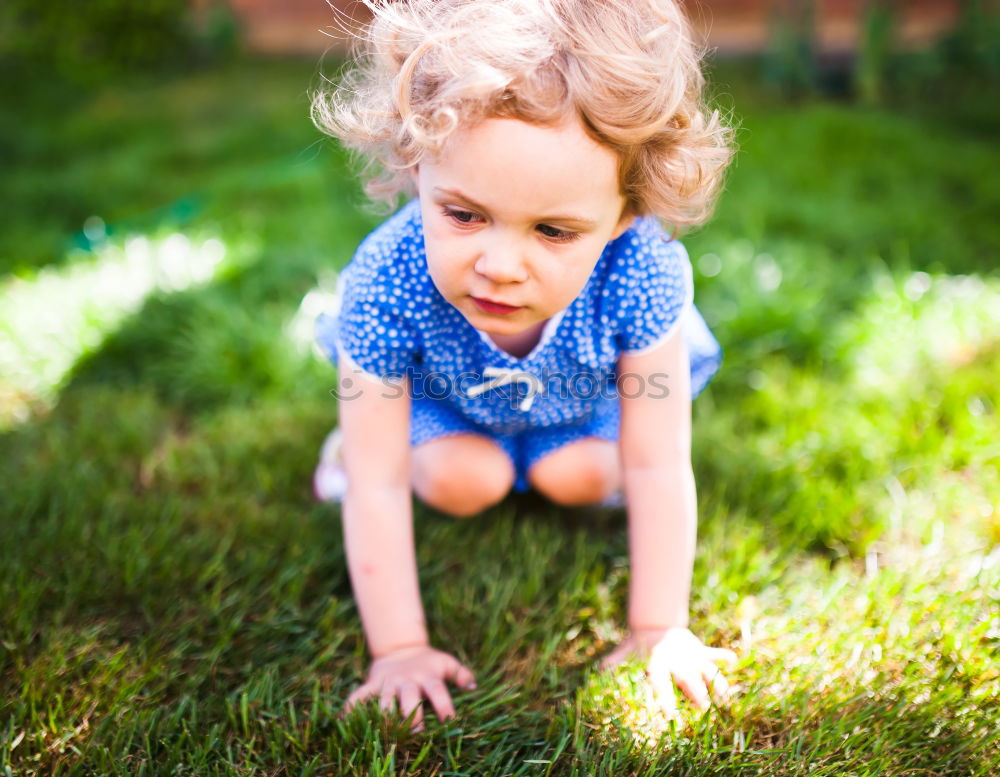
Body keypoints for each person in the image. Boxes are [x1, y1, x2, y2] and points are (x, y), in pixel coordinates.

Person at [309, 0, 737, 733]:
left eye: (554, 230)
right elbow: (378, 486)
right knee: (459, 481)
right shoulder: (384, 279)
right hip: (451, 405)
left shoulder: (644, 267)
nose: (499, 266)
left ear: (629, 212)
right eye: (465, 214)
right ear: (418, 164)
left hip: (578, 403)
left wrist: (656, 625)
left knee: (584, 478)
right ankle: (347, 438)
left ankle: (538, 459)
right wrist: (401, 649)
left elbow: (660, 460)